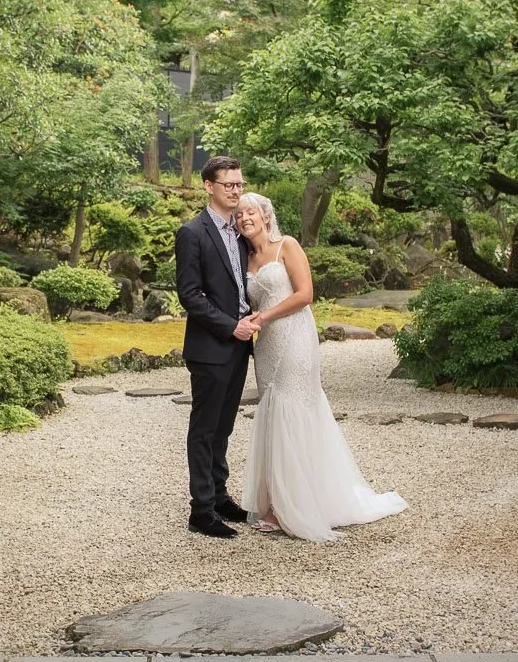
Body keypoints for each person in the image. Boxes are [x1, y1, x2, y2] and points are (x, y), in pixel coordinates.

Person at [233, 192, 406, 541]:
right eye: (238, 215)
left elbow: (304, 294)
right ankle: (275, 502)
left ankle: (297, 505)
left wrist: (262, 316)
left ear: (266, 215)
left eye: (250, 212)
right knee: (272, 412)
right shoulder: (245, 256)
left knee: (293, 407)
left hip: (295, 335)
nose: (244, 218)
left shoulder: (287, 246)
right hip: (265, 344)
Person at [174, 157, 258, 539]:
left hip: (241, 347)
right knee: (204, 430)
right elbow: (190, 295)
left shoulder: (240, 232)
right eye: (229, 185)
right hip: (211, 346)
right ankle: (201, 510)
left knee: (223, 427)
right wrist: (231, 327)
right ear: (209, 186)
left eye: (240, 185)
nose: (236, 191)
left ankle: (221, 496)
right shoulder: (192, 232)